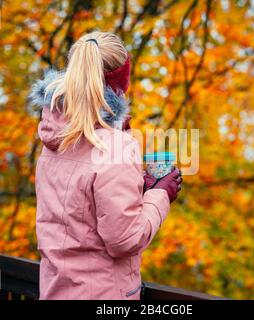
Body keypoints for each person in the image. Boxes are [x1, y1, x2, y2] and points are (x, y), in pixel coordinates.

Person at [30, 31, 182, 300]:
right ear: (121, 84)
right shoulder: (114, 147)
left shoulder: (53, 137)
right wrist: (160, 194)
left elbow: (78, 215)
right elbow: (124, 240)